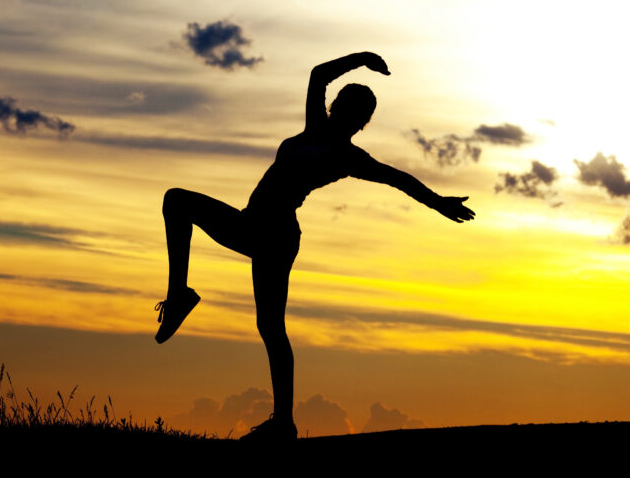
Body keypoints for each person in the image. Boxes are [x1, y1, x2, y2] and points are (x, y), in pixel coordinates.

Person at [156, 52, 475, 441]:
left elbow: (398, 178)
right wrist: (363, 58)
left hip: (273, 234)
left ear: (360, 123)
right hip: (253, 223)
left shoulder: (347, 157)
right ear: (335, 105)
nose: (340, 110)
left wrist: (438, 202)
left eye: (352, 110)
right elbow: (318, 75)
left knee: (270, 326)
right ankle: (180, 297)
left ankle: (283, 422)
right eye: (340, 103)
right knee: (178, 203)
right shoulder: (315, 127)